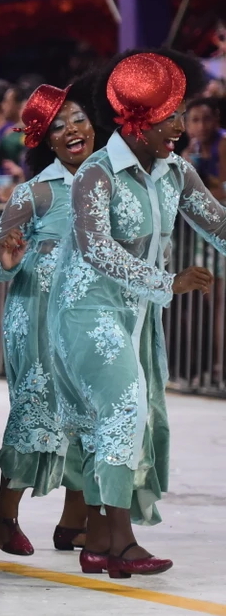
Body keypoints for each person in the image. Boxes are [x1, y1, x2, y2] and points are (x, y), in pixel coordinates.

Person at [50, 50, 226, 578]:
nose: (180, 125)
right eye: (172, 115)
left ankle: (100, 541)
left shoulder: (175, 172)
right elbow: (96, 248)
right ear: (139, 120)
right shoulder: (96, 174)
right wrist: (167, 282)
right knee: (125, 406)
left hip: (137, 313)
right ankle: (121, 541)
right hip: (86, 309)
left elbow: (217, 224)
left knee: (125, 418)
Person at [0, 81, 100, 556]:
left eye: (78, 119)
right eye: (59, 126)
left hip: (91, 316)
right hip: (36, 320)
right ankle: (4, 514)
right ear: (45, 140)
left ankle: (73, 523)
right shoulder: (33, 193)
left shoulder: (108, 183)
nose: (73, 130)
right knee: (40, 413)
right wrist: (9, 262)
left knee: (91, 414)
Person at [180, 97, 226, 199]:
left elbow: (225, 190)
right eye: (195, 120)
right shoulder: (194, 148)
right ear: (187, 126)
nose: (202, 126)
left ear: (216, 120)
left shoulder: (223, 144)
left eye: (207, 119)